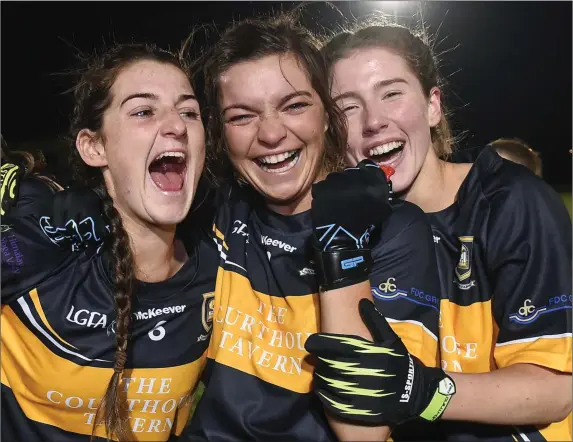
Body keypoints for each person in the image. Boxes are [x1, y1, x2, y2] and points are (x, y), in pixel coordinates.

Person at [180, 14, 443, 442]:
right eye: (241, 116)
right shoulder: (216, 213)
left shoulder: (393, 229)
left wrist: (341, 251)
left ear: (327, 116)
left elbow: (364, 433)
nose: (270, 133)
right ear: (221, 134)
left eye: (295, 105)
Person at [305, 21, 573, 441]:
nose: (374, 121)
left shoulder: (511, 201)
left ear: (433, 106)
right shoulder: (347, 227)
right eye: (347, 107)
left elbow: (555, 390)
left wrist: (424, 392)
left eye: (391, 93)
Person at [1, 43, 220, 441]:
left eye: (189, 112)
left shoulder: (221, 265)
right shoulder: (38, 252)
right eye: (143, 111)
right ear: (95, 146)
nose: (176, 126)